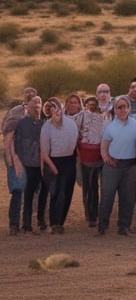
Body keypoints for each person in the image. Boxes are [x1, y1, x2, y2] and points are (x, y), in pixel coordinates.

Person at [98, 95, 136, 236]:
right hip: (113, 166)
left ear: (129, 108)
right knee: (107, 197)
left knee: (128, 198)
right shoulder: (110, 126)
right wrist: (107, 159)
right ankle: (102, 227)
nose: (122, 110)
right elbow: (103, 147)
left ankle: (124, 227)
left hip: (130, 166)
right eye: (119, 107)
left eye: (125, 107)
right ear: (114, 109)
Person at [40, 99, 79, 234]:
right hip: (54, 161)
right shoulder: (46, 127)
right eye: (51, 108)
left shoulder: (71, 123)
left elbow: (74, 142)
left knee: (67, 192)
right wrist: (54, 168)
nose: (54, 111)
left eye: (56, 108)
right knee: (57, 192)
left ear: (60, 109)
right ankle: (54, 223)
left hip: (69, 160)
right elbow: (44, 153)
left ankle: (60, 222)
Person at [11, 94, 46, 234]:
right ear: (28, 104)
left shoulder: (44, 123)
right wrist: (17, 160)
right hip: (27, 164)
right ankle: (26, 224)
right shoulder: (21, 123)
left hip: (42, 164)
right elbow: (17, 143)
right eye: (34, 102)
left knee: (43, 193)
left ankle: (41, 220)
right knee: (28, 194)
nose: (37, 104)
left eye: (39, 102)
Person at [76, 94, 106, 227]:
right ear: (86, 106)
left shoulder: (103, 118)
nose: (92, 107)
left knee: (100, 187)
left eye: (94, 105)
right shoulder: (81, 117)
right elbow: (76, 133)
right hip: (85, 158)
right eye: (89, 105)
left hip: (101, 157)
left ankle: (99, 213)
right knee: (89, 187)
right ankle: (90, 215)